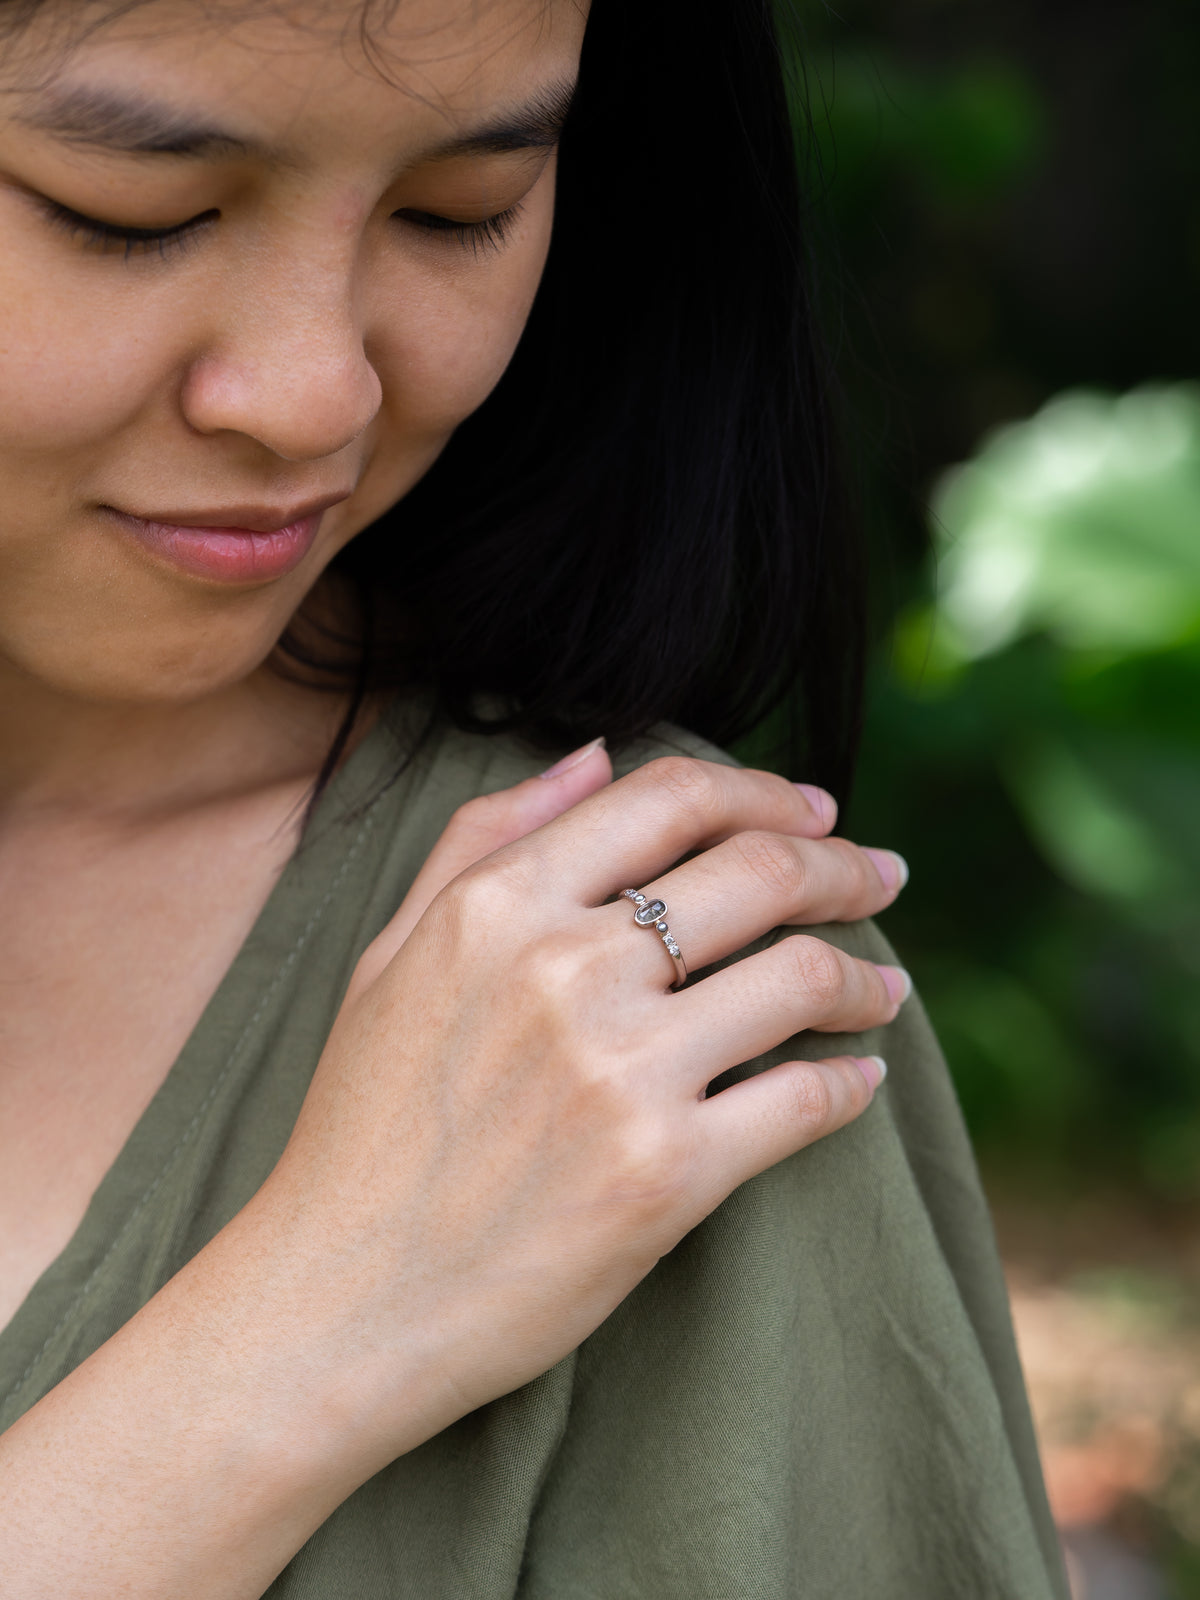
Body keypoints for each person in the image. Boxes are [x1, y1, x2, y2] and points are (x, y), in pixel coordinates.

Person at [0, 1, 1069, 1595]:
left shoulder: (640, 1006)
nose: (313, 397)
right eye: (127, 214)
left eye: (460, 211)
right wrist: (312, 1321)